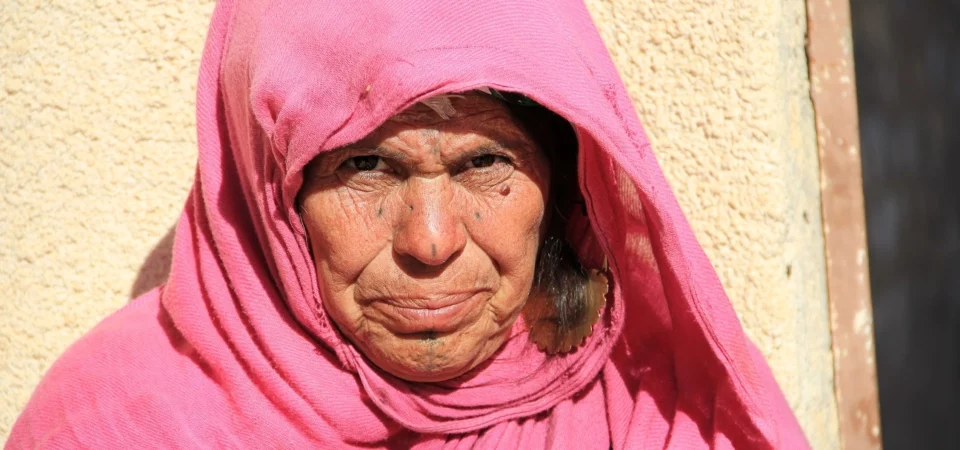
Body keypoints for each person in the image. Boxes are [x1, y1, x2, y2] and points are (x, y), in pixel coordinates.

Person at [7, 0, 808, 448]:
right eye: (365, 168)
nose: (430, 241)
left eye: (484, 165)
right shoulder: (118, 423)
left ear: (563, 181)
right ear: (269, 195)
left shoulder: (648, 420)